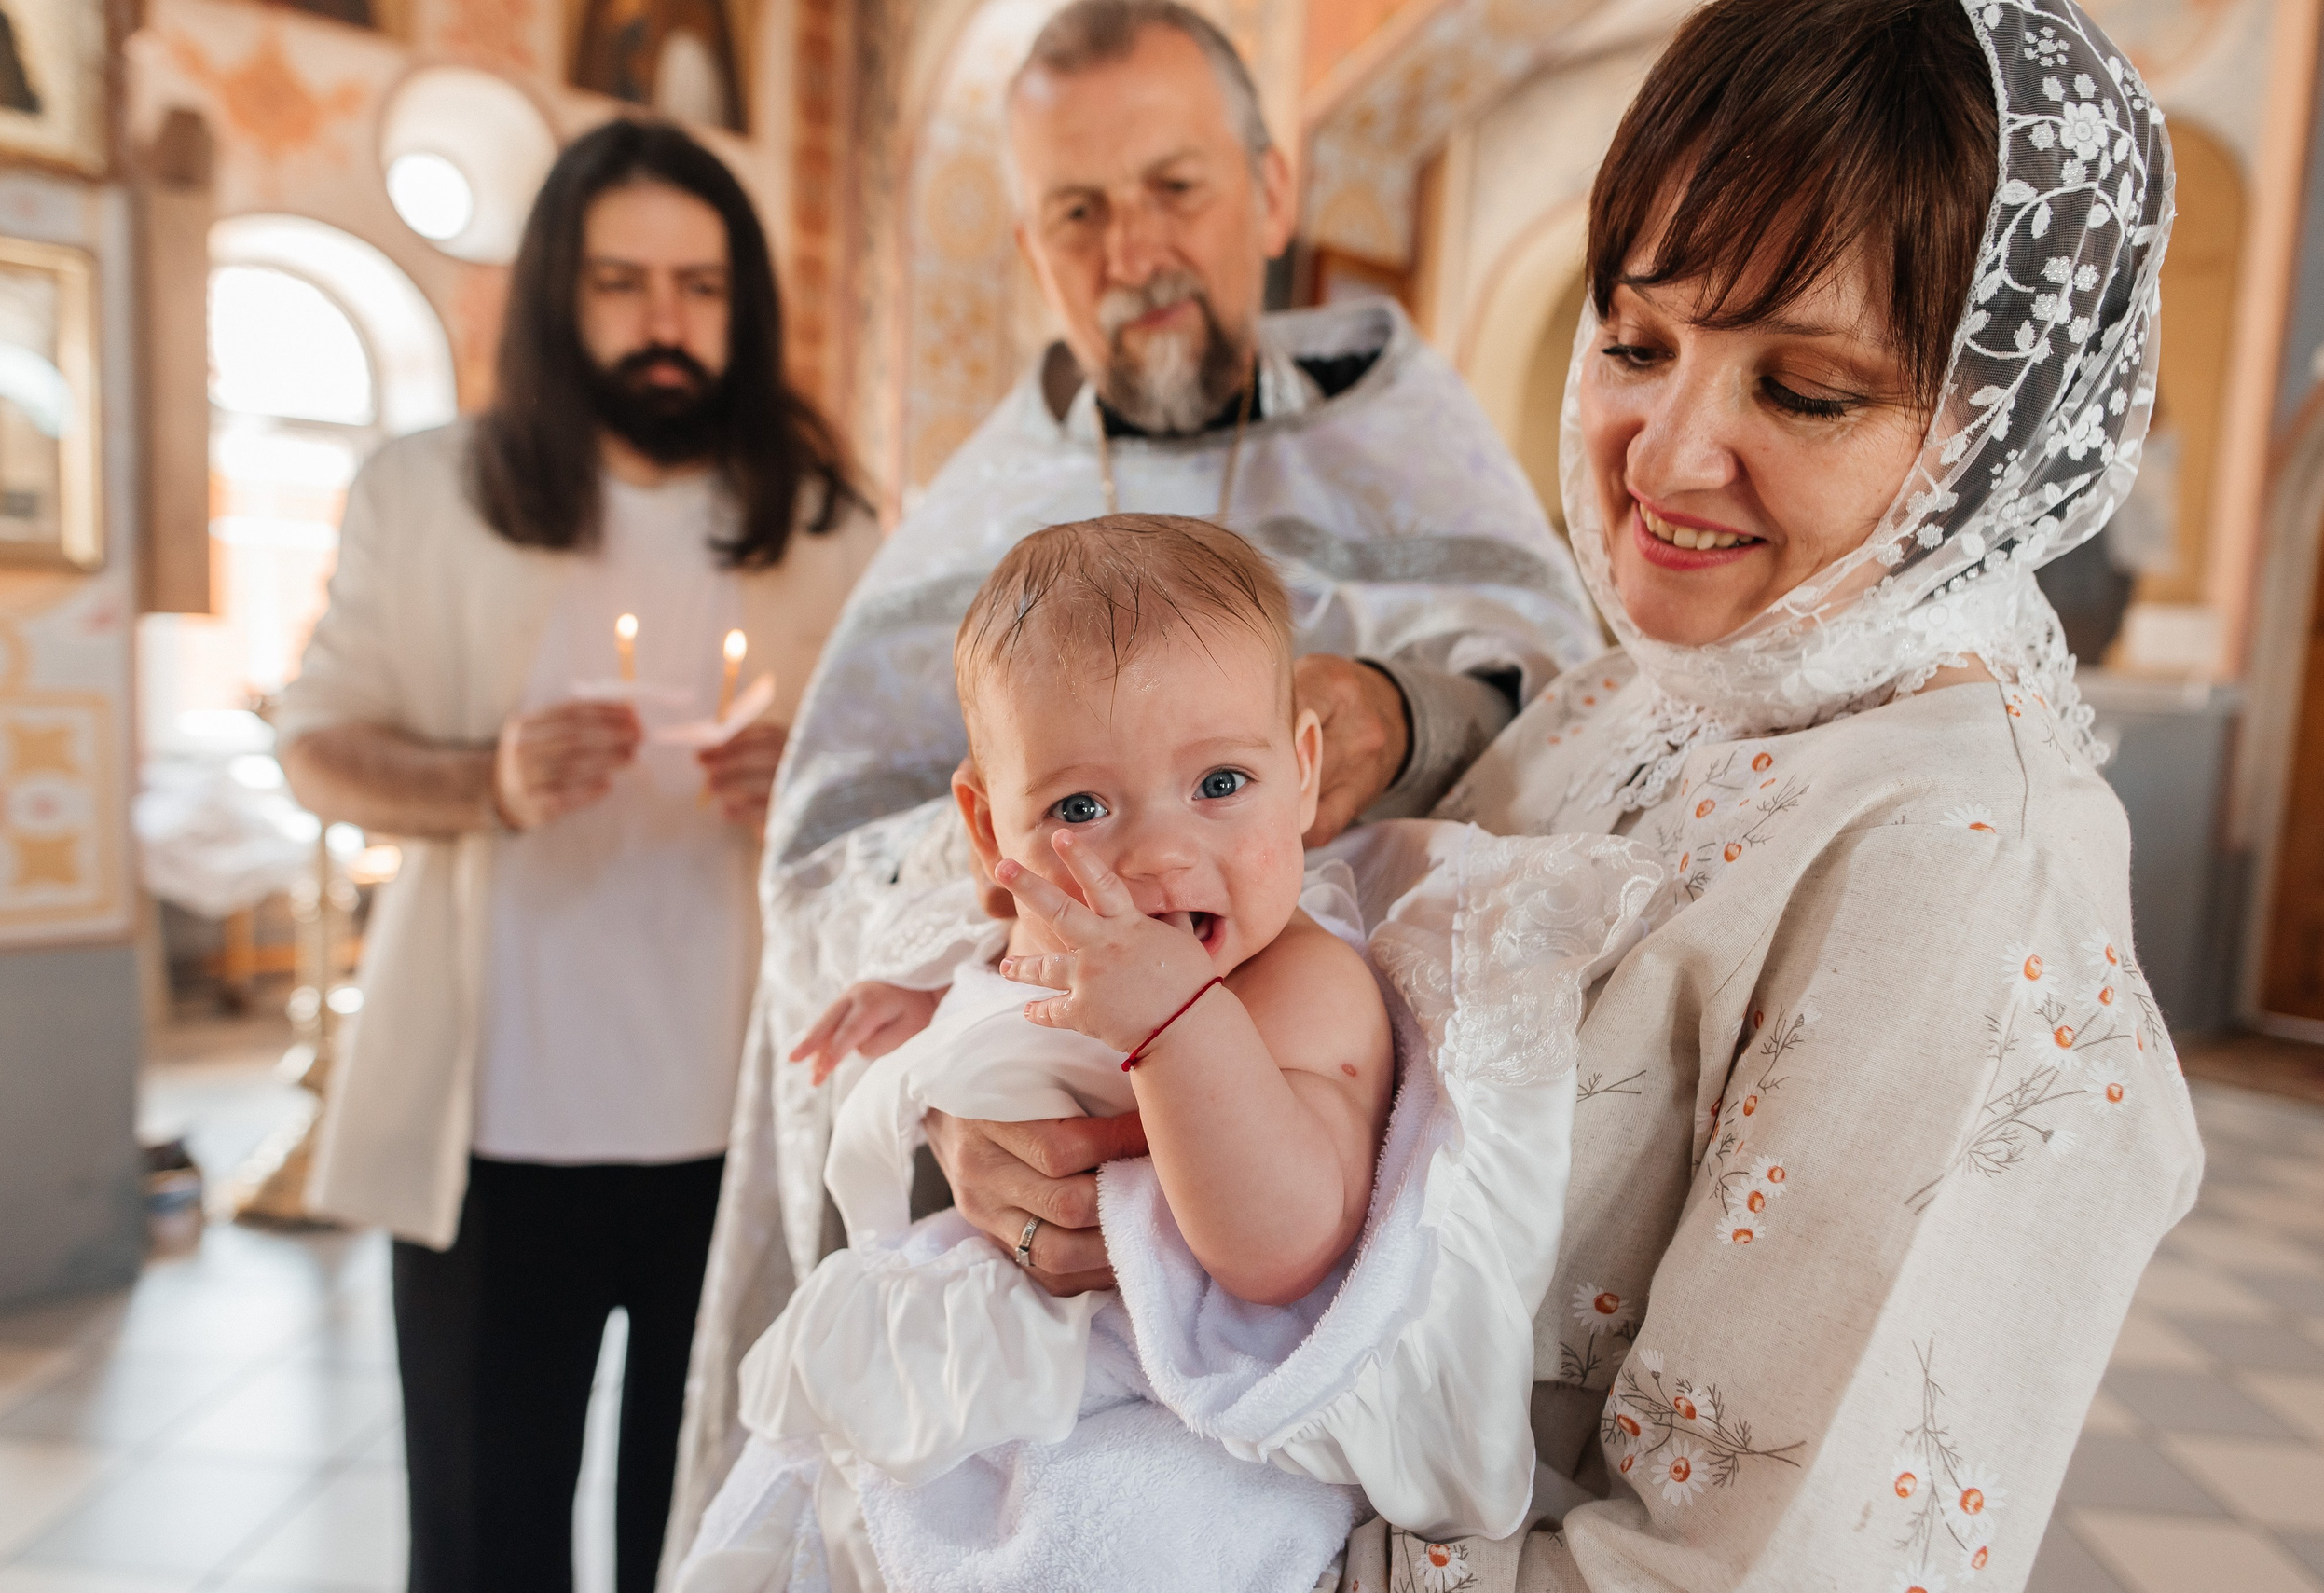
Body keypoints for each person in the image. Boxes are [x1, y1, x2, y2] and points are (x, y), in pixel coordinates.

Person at [916, 0, 2205, 1586]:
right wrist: (1024, 1132)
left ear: (1994, 431)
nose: (1664, 457)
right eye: (1638, 345)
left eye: (1805, 390)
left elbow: (1736, 1567)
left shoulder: (1968, 870)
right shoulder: (1644, 689)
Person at [668, 0, 1602, 1545]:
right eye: (1078, 213)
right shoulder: (984, 509)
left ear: (1272, 191)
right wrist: (954, 1112)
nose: (1134, 252)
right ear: (1029, 246)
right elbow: (832, 854)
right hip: (1009, 1302)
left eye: (1175, 188)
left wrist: (1404, 710)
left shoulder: (1408, 438)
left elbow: (1578, 715)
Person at [276, 120, 880, 1593]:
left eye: (701, 287)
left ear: (746, 307)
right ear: (557, 294)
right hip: (492, 1137)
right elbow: (316, 745)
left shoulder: (828, 522)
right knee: (483, 1544)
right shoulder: (425, 492)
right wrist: (482, 777)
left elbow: (924, 797)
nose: (665, 323)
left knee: (710, 1544)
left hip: (741, 1139)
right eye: (622, 283)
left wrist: (811, 789)